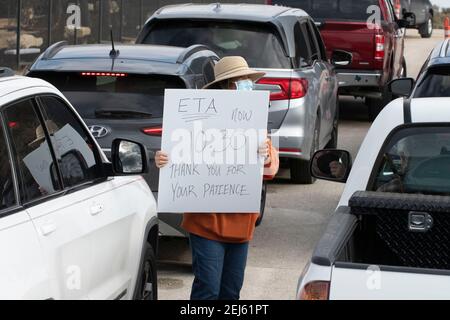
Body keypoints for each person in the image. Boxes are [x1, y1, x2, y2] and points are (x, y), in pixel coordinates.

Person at [155, 56, 279, 300]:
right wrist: (164, 159)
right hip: (205, 223)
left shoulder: (256, 127)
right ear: (225, 87)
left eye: (247, 82)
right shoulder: (199, 120)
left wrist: (263, 154)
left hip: (241, 225)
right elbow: (178, 153)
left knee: (231, 292)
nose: (245, 87)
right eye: (239, 82)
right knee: (208, 290)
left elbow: (270, 170)